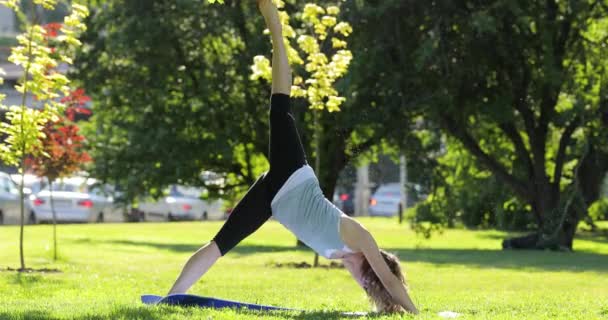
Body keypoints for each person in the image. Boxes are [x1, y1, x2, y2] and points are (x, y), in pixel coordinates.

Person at [167, 0, 418, 314]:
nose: (366, 284)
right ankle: (275, 26)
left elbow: (382, 288)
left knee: (221, 244)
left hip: (275, 200)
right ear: (376, 269)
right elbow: (391, 284)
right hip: (294, 178)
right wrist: (416, 312)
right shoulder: (360, 238)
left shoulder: (349, 261)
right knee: (280, 106)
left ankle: (170, 299)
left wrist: (389, 308)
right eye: (372, 282)